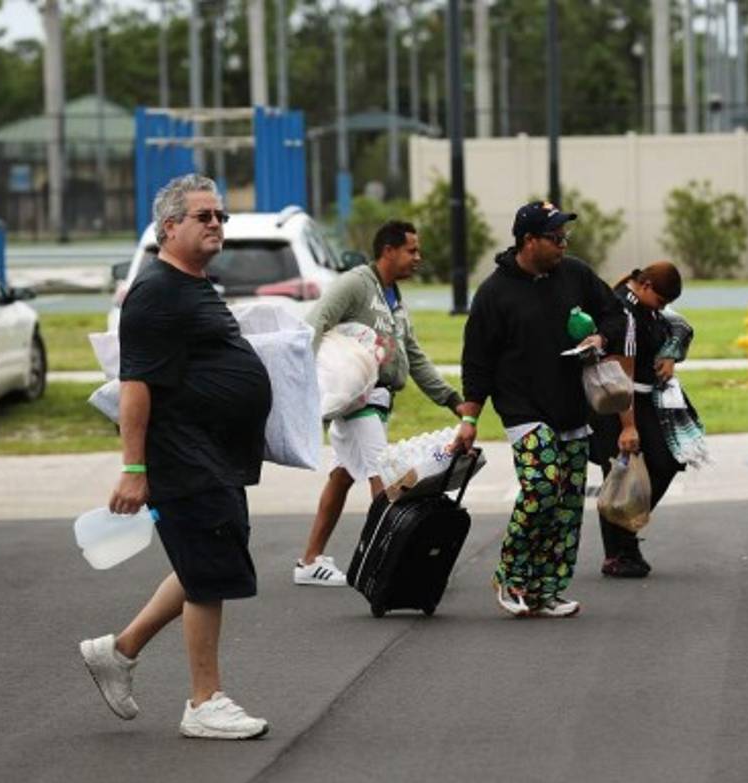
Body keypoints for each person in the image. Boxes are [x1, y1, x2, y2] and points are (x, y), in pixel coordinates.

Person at [79, 174, 271, 739]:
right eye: (203, 216)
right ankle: (203, 702)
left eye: (221, 216)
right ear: (169, 228)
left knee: (204, 562)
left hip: (211, 453)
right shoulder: (157, 291)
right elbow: (136, 383)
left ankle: (119, 651)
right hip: (183, 457)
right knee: (209, 576)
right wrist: (133, 469)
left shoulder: (192, 284)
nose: (216, 224)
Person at [451, 201, 626, 618]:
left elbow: (615, 313)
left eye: (565, 237)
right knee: (542, 487)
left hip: (571, 406)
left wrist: (600, 339)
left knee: (567, 504)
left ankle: (546, 590)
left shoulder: (575, 275)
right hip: (522, 409)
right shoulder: (494, 294)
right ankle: (510, 575)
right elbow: (477, 361)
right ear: (528, 241)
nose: (563, 245)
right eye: (555, 238)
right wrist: (470, 418)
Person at [296, 220, 464, 586]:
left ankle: (309, 560)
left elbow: (414, 356)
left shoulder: (394, 297)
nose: (418, 257)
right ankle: (393, 565)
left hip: (378, 400)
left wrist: (451, 399)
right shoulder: (357, 283)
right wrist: (306, 384)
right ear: (388, 250)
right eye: (412, 250)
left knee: (341, 477)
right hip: (359, 401)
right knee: (384, 478)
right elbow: (318, 320)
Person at [591, 262, 708, 578]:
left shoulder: (646, 308)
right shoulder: (624, 315)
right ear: (643, 286)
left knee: (665, 461)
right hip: (617, 405)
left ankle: (625, 537)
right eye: (661, 301)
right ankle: (618, 552)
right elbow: (620, 378)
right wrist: (628, 426)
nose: (664, 308)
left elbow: (679, 325)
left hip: (642, 400)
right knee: (620, 474)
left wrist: (670, 352)